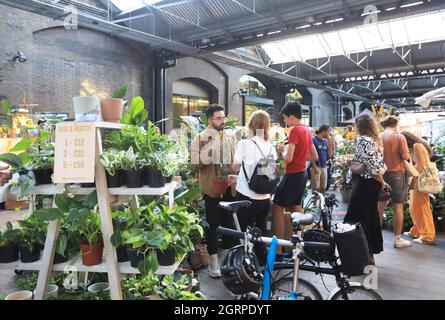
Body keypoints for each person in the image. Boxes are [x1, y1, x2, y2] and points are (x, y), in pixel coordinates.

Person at [190, 104, 238, 278]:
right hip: (211, 188)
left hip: (229, 186)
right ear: (210, 120)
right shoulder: (200, 138)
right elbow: (195, 163)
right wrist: (212, 147)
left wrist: (235, 172)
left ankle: (226, 260)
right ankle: (213, 261)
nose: (222, 120)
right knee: (212, 224)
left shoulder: (231, 136)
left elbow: (236, 158)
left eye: (223, 117)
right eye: (219, 117)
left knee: (229, 223)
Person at [272, 102, 318, 253]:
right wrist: (301, 158)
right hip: (302, 173)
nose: (285, 122)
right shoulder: (306, 130)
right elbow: (314, 155)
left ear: (291, 117)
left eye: (285, 119)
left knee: (277, 207)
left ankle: (277, 249)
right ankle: (299, 247)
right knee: (296, 208)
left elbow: (288, 158)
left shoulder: (294, 131)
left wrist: (282, 149)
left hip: (292, 174)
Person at [232, 110, 277, 262]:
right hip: (264, 198)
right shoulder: (271, 147)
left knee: (244, 232)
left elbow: (234, 167)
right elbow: (269, 172)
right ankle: (263, 265)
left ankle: (245, 265)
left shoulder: (244, 143)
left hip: (246, 196)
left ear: (251, 125)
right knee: (261, 233)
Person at [344, 114, 388, 265]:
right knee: (369, 217)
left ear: (359, 126)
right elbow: (381, 166)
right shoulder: (374, 141)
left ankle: (359, 255)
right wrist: (381, 181)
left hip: (365, 184)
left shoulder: (363, 140)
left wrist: (382, 182)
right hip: (370, 185)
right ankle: (368, 254)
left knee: (355, 218)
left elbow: (374, 169)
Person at [377, 116, 412, 248]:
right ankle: (397, 239)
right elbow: (405, 156)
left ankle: (377, 236)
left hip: (381, 174)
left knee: (379, 206)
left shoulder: (378, 136)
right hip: (397, 173)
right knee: (398, 206)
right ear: (395, 124)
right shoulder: (399, 137)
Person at [401, 131, 436, 245]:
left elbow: (421, 165)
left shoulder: (417, 146)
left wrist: (413, 180)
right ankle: (416, 231)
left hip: (419, 180)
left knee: (421, 207)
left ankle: (427, 235)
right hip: (418, 179)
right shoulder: (418, 145)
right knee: (415, 207)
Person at [310, 124, 333, 194]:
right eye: (328, 131)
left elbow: (329, 154)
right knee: (315, 188)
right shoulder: (313, 139)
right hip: (316, 166)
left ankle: (321, 203)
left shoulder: (325, 141)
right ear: (324, 131)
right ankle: (315, 204)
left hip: (324, 166)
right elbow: (310, 154)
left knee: (323, 187)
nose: (329, 133)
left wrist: (330, 144)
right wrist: (314, 166)